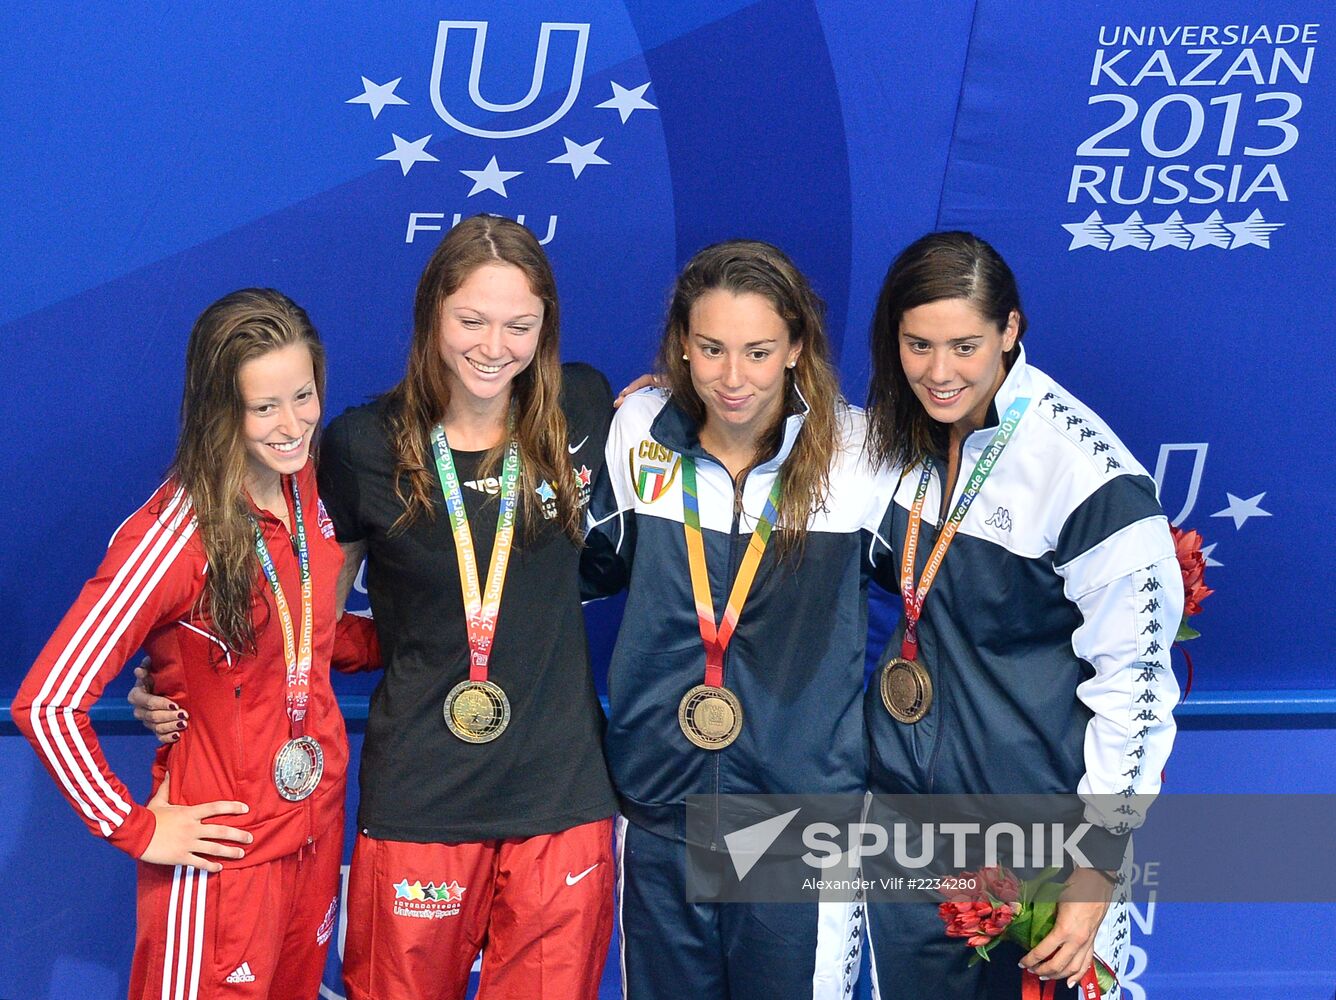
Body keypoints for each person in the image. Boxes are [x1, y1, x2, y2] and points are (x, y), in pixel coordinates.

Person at [136, 215, 618, 999]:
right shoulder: (363, 445)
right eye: (470, 320)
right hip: (420, 800)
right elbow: (297, 616)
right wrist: (176, 679)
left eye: (519, 325)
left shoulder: (586, 407)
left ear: (545, 328)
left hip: (562, 798)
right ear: (431, 313)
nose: (494, 346)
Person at [12, 289, 376, 999]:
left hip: (312, 834)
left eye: (302, 396)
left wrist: (419, 638)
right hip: (221, 866)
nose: (291, 424)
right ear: (219, 410)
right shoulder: (173, 538)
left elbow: (305, 640)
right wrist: (137, 828)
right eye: (263, 407)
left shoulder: (304, 482)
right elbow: (48, 704)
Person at [860, 231, 1182, 997]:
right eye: (917, 345)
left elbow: (1135, 687)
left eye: (966, 345)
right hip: (902, 830)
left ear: (1011, 330)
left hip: (1036, 844)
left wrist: (1097, 865)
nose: (939, 373)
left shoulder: (1086, 477)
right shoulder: (891, 434)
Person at [582, 240, 883, 999]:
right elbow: (583, 574)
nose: (733, 377)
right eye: (711, 349)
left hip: (793, 819)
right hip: (661, 808)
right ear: (682, 345)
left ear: (796, 348)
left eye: (757, 351)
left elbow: (942, 596)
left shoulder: (858, 453)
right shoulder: (639, 429)